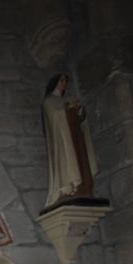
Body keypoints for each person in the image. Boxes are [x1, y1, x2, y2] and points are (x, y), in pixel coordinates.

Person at [41, 73, 99, 210]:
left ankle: (82, 187)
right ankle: (68, 188)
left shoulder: (66, 100)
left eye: (66, 81)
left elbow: (79, 118)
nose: (64, 84)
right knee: (67, 161)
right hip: (62, 142)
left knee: (80, 160)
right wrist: (68, 110)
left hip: (75, 138)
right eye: (62, 81)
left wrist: (79, 111)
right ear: (56, 82)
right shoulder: (48, 101)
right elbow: (54, 119)